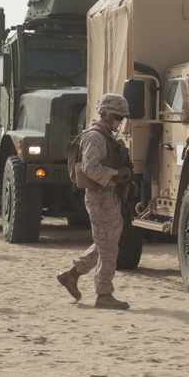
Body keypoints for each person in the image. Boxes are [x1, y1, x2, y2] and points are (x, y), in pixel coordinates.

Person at [56, 93, 133, 310]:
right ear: (106, 115)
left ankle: (72, 275)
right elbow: (89, 168)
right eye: (118, 117)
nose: (120, 122)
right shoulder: (95, 137)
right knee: (108, 248)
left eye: (122, 118)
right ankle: (104, 294)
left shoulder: (106, 135)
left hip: (109, 196)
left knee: (106, 243)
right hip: (99, 197)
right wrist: (116, 173)